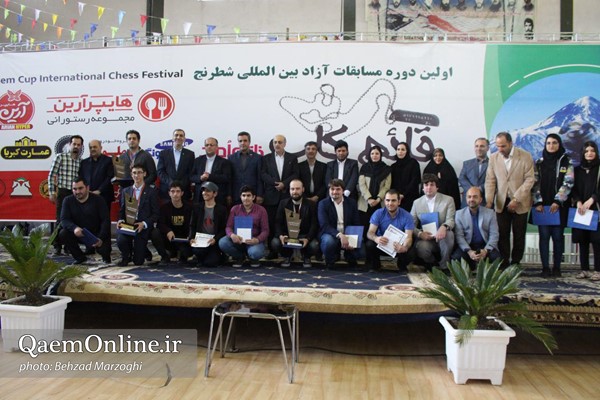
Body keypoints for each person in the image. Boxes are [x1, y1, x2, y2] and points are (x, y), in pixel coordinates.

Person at [485, 132, 535, 267]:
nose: (500, 149)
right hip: (501, 202)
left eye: (503, 146)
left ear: (510, 143)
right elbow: (490, 180)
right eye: (498, 146)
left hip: (520, 202)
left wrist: (516, 199)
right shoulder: (493, 158)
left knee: (519, 234)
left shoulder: (525, 156)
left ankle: (516, 262)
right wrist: (489, 200)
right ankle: (504, 261)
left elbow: (530, 179)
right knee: (502, 234)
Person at [531, 134, 574, 277]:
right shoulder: (539, 162)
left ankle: (557, 268)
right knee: (544, 237)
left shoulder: (566, 161)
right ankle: (545, 268)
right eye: (548, 143)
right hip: (542, 207)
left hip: (559, 206)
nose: (551, 145)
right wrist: (538, 201)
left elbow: (568, 183)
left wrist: (558, 201)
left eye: (554, 142)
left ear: (559, 144)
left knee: (557, 237)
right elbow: (534, 183)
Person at [261, 134, 299, 258]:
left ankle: (288, 252)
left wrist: (284, 184)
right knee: (271, 223)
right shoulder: (266, 158)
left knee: (288, 223)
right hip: (271, 196)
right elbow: (263, 174)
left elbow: (295, 174)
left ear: (285, 144)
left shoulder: (292, 158)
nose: (277, 144)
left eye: (280, 142)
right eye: (275, 142)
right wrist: (275, 183)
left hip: (287, 196)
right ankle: (272, 251)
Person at [59, 177, 111, 265]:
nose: (77, 191)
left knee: (104, 251)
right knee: (63, 233)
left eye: (80, 188)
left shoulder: (99, 200)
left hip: (96, 234)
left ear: (87, 188)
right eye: (74, 189)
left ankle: (105, 256)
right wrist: (74, 228)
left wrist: (101, 238)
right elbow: (64, 220)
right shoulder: (67, 200)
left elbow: (105, 221)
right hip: (79, 233)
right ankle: (80, 258)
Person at [116, 164, 160, 266]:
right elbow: (122, 211)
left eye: (139, 173)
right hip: (129, 225)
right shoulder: (126, 191)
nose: (137, 175)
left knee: (138, 262)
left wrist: (144, 224)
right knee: (121, 240)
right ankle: (126, 256)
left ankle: (144, 251)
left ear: (144, 174)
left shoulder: (151, 191)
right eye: (134, 173)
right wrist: (120, 220)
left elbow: (156, 214)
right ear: (131, 175)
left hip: (142, 226)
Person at [411, 173, 455, 271]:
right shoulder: (416, 203)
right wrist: (420, 234)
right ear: (422, 188)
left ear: (437, 187)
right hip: (427, 237)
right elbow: (410, 224)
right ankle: (432, 263)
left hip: (443, 235)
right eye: (426, 185)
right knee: (421, 247)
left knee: (449, 234)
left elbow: (451, 219)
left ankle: (445, 266)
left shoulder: (448, 200)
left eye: (432, 185)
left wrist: (444, 227)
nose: (429, 187)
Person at [48, 134, 84, 255]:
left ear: (81, 146)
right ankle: (57, 246)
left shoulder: (81, 161)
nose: (76, 146)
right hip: (63, 192)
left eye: (78, 145)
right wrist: (52, 192)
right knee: (60, 220)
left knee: (73, 220)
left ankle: (69, 246)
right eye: (74, 144)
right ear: (69, 144)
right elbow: (51, 175)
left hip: (76, 194)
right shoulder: (60, 157)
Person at [271, 179, 319, 268]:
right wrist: (281, 235)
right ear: (289, 190)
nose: (295, 192)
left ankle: (306, 256)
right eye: (292, 189)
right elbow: (277, 222)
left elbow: (314, 224)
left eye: (297, 189)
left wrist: (308, 238)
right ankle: (287, 256)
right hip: (288, 235)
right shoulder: (283, 203)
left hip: (304, 235)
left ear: (303, 189)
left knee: (314, 245)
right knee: (275, 242)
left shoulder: (311, 204)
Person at [318, 179, 364, 269]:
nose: (335, 192)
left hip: (348, 233)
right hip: (331, 234)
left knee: (361, 251)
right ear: (329, 190)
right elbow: (324, 225)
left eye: (338, 189)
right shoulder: (323, 204)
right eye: (332, 189)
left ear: (343, 190)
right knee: (328, 242)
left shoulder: (351, 203)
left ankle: (349, 256)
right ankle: (330, 261)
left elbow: (356, 222)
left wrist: (353, 239)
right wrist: (340, 235)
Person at [219, 185, 269, 268]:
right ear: (240, 197)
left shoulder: (261, 210)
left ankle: (252, 258)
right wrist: (232, 235)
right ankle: (240, 257)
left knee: (255, 253)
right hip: (238, 241)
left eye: (248, 195)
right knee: (222, 242)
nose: (246, 198)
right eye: (244, 195)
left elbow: (265, 230)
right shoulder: (235, 209)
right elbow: (228, 227)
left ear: (253, 197)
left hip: (254, 241)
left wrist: (257, 240)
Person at [451, 187, 501, 269]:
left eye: (475, 197)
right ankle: (472, 265)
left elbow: (494, 235)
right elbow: (459, 236)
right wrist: (470, 252)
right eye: (469, 197)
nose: (472, 199)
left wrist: (485, 251)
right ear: (466, 199)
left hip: (485, 245)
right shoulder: (459, 214)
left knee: (496, 258)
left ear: (480, 199)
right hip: (468, 245)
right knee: (456, 259)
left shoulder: (490, 213)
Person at [366, 189, 414, 273]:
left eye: (393, 200)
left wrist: (404, 247)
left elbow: (409, 237)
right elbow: (370, 233)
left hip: (398, 247)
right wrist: (376, 238)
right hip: (382, 244)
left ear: (399, 202)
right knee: (370, 244)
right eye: (388, 200)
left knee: (411, 249)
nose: (390, 203)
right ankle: (375, 266)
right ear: (384, 201)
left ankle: (402, 266)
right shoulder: (378, 213)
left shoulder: (407, 216)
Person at [571, 141, 600, 281]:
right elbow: (573, 188)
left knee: (597, 241)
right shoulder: (577, 170)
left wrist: (592, 199)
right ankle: (584, 269)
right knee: (583, 240)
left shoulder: (599, 168)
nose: (589, 153)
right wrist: (578, 201)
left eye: (592, 151)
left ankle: (598, 270)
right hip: (581, 210)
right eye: (587, 151)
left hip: (596, 209)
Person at [152, 181, 193, 264]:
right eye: (173, 191)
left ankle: (181, 254)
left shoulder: (189, 208)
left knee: (185, 254)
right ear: (169, 193)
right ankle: (164, 256)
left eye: (178, 191)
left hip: (184, 240)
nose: (175, 194)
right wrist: (168, 231)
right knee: (154, 233)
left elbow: (193, 225)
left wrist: (190, 237)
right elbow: (160, 224)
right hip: (170, 239)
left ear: (182, 193)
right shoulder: (164, 208)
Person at [190, 181, 228, 268]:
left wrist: (215, 239)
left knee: (210, 263)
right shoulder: (197, 208)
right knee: (197, 251)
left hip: (214, 241)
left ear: (215, 194)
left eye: (208, 191)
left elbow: (224, 228)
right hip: (200, 241)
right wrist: (191, 238)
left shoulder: (221, 209)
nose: (204, 193)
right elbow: (192, 225)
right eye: (203, 191)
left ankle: (219, 256)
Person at [357, 145, 391, 232]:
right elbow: (362, 185)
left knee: (379, 228)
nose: (374, 155)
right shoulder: (364, 167)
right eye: (372, 153)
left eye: (377, 153)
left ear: (380, 155)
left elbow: (387, 186)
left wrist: (378, 199)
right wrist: (369, 199)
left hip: (380, 203)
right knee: (364, 228)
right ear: (369, 155)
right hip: (365, 203)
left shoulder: (386, 169)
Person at [190, 137, 232, 206]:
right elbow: (191, 177)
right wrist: (200, 178)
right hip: (200, 195)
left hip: (217, 196)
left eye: (211, 145)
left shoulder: (224, 162)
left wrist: (210, 176)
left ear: (216, 147)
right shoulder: (197, 160)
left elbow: (226, 178)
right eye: (207, 145)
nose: (209, 147)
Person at [157, 128, 195, 202]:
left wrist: (180, 185)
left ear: (184, 139)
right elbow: (160, 171)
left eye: (181, 135)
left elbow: (191, 172)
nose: (178, 137)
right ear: (172, 138)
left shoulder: (190, 154)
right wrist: (171, 183)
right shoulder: (163, 153)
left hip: (183, 191)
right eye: (176, 135)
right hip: (166, 191)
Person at [79, 139, 114, 212]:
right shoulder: (84, 163)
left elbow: (109, 178)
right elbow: (81, 178)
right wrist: (86, 191)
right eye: (91, 147)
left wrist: (99, 190)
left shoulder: (109, 161)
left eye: (95, 147)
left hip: (104, 196)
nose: (92, 149)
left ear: (101, 148)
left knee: (104, 217)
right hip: (87, 196)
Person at [228, 131, 263, 205]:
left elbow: (260, 178)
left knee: (252, 213)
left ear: (249, 142)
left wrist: (259, 194)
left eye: (245, 140)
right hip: (236, 195)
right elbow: (229, 178)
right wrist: (229, 194)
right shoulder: (231, 158)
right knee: (237, 213)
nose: (242, 143)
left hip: (252, 195)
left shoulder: (258, 158)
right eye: (240, 141)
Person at [390, 142, 421, 212]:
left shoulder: (413, 163)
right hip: (397, 199)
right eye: (398, 149)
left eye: (403, 149)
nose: (400, 151)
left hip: (411, 197)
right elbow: (392, 184)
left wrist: (404, 194)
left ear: (407, 151)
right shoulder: (393, 166)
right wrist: (397, 195)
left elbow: (415, 180)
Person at [459, 138, 489, 208]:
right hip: (467, 202)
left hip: (485, 202)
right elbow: (461, 178)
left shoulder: (493, 164)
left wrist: (480, 188)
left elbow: (494, 181)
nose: (479, 149)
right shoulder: (467, 163)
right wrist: (472, 189)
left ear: (487, 148)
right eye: (476, 146)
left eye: (482, 146)